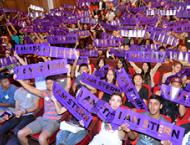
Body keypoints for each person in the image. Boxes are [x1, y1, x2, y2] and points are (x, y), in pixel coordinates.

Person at [15, 76, 67, 145]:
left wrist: (69, 74)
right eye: (47, 83)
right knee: (20, 133)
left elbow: (68, 87)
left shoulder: (61, 94)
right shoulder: (45, 93)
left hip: (54, 121)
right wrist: (20, 80)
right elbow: (31, 89)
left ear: (56, 83)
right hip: (42, 119)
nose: (49, 85)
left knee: (41, 138)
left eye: (51, 83)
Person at [0, 80, 39, 145]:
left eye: (27, 80)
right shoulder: (18, 91)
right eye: (23, 80)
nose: (25, 82)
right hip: (18, 114)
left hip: (30, 115)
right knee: (3, 127)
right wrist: (15, 113)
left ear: (29, 82)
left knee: (17, 130)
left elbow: (36, 107)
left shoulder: (34, 91)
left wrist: (24, 111)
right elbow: (17, 107)